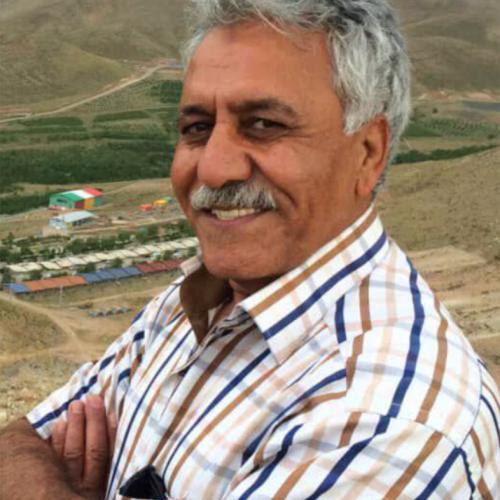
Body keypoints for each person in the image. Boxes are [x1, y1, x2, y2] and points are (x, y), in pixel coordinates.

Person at [1, 0, 499, 498]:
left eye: (263, 124)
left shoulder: (385, 422)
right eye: (197, 128)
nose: (214, 169)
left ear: (367, 153)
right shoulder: (193, 301)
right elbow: (20, 441)